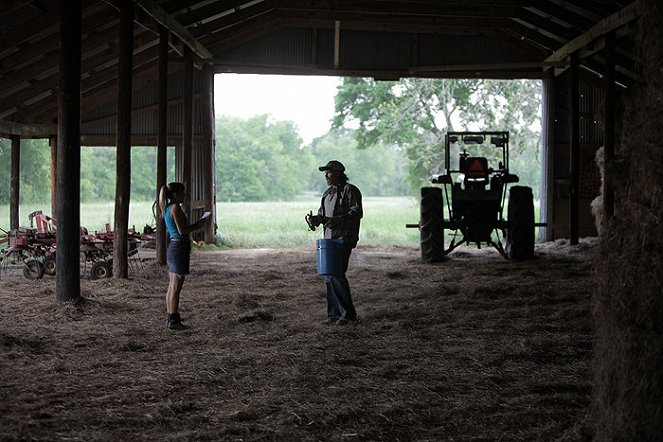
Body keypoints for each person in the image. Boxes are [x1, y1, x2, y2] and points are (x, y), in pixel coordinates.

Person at [308, 160, 363, 325]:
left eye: (329, 172)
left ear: (339, 173)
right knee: (328, 276)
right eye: (325, 172)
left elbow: (356, 213)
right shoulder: (327, 193)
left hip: (343, 239)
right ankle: (333, 315)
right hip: (329, 241)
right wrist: (316, 219)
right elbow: (322, 215)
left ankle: (348, 315)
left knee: (336, 275)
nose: (326, 175)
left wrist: (336, 221)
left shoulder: (350, 190)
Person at [158, 182, 209, 330]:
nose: (184, 195)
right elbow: (182, 230)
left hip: (174, 246)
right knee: (176, 286)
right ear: (175, 194)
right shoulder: (175, 208)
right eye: (182, 193)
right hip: (179, 246)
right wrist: (198, 225)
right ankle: (174, 320)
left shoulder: (167, 208)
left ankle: (171, 317)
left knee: (172, 285)